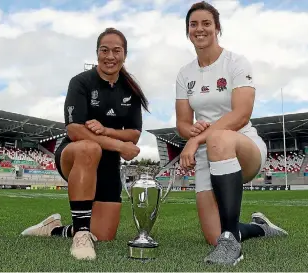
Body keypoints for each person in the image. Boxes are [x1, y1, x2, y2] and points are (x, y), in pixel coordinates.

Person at [20, 27, 149, 260]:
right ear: (97, 53)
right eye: (104, 50)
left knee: (105, 234)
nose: (110, 56)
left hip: (108, 164)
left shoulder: (130, 91)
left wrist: (107, 130)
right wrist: (119, 146)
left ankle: (56, 228)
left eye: (116, 51)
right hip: (74, 155)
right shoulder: (80, 82)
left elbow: (134, 135)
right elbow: (75, 130)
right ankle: (80, 235)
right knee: (90, 147)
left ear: (125, 55)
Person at [175, 1, 288, 266]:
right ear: (187, 30)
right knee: (212, 236)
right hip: (207, 153)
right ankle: (258, 227)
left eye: (206, 23)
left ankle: (231, 244)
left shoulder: (236, 62)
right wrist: (191, 131)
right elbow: (182, 123)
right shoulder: (184, 73)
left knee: (219, 137)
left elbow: (241, 115)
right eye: (194, 24)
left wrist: (197, 138)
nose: (199, 29)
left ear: (217, 28)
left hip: (243, 145)